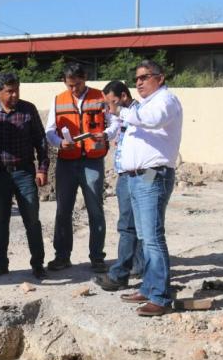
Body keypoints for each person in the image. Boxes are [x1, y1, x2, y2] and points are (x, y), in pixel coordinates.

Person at [112, 60, 183, 316]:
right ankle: (149, 287)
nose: (139, 82)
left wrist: (121, 111)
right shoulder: (144, 105)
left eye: (145, 77)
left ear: (160, 78)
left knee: (153, 237)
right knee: (144, 236)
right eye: (137, 78)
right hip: (137, 177)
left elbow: (153, 121)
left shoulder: (165, 101)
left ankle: (160, 297)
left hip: (153, 175)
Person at [0, 72, 49, 280]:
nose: (14, 95)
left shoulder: (28, 109)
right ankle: (1, 264)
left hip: (25, 173)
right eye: (9, 91)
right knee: (0, 222)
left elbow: (41, 141)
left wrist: (42, 168)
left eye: (16, 90)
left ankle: (38, 264)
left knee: (32, 220)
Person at [45, 63, 109, 274]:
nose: (74, 89)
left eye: (78, 84)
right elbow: (50, 131)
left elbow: (113, 123)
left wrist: (106, 135)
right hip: (67, 162)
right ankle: (62, 256)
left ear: (85, 78)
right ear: (64, 82)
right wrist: (59, 143)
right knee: (63, 210)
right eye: (70, 85)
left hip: (93, 161)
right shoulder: (58, 100)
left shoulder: (100, 97)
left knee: (95, 210)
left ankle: (97, 257)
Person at [94, 80, 144, 291]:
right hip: (125, 175)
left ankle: (122, 273)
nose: (110, 108)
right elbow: (115, 128)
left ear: (123, 96)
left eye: (112, 102)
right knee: (130, 225)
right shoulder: (122, 115)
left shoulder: (141, 114)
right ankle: (137, 266)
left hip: (141, 176)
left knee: (136, 226)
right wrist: (106, 134)